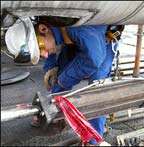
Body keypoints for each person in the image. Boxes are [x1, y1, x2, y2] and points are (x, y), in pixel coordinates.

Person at [5, 17, 124, 146]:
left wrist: (63, 80)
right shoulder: (48, 26)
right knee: (59, 73)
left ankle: (93, 140)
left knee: (97, 89)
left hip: (102, 43)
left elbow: (93, 60)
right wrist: (51, 66)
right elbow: (49, 41)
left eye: (41, 50)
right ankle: (54, 113)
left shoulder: (79, 30)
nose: (44, 55)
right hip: (71, 39)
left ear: (43, 29)